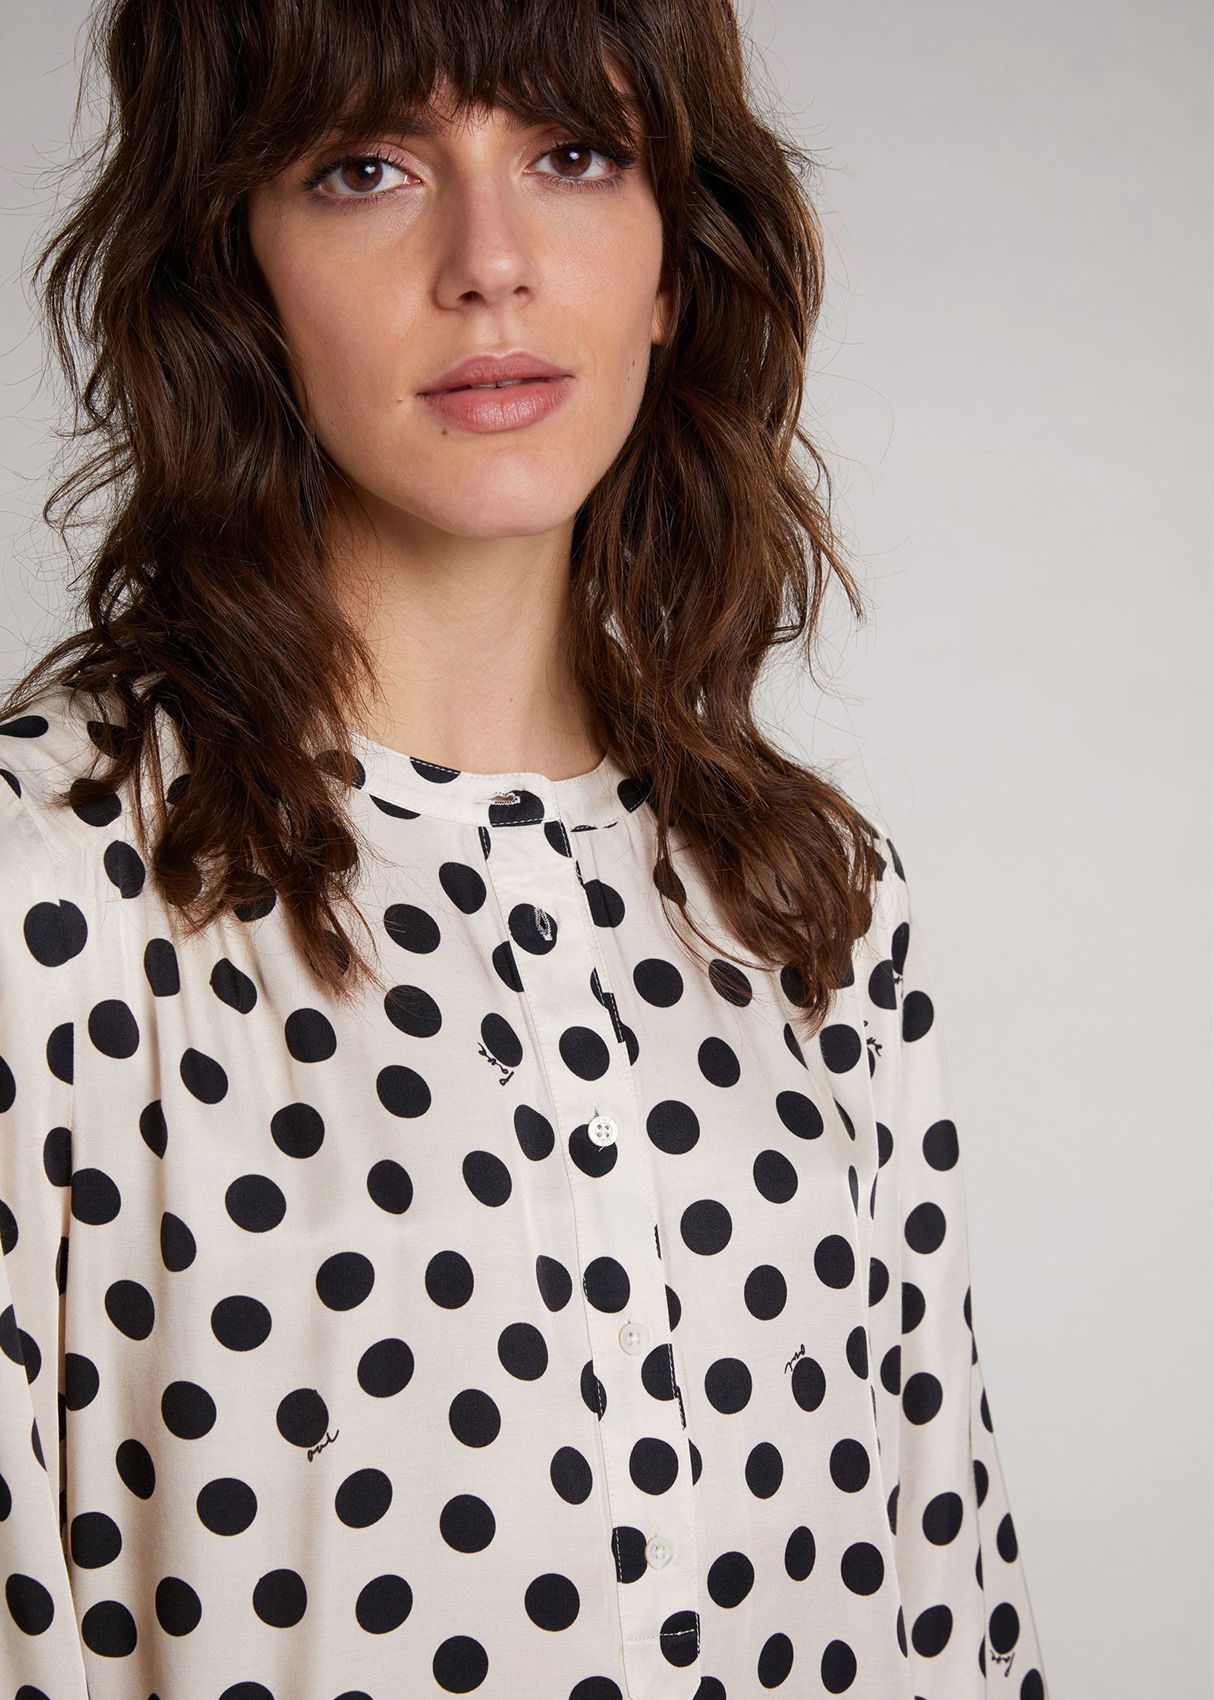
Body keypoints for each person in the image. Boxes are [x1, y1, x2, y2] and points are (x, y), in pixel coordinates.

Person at [0, 0, 1049, 1696]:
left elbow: (951, 1601)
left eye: (572, 154)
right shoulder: (55, 892)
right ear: (229, 266)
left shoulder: (809, 898)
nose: (488, 263)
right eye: (364, 169)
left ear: (673, 257)